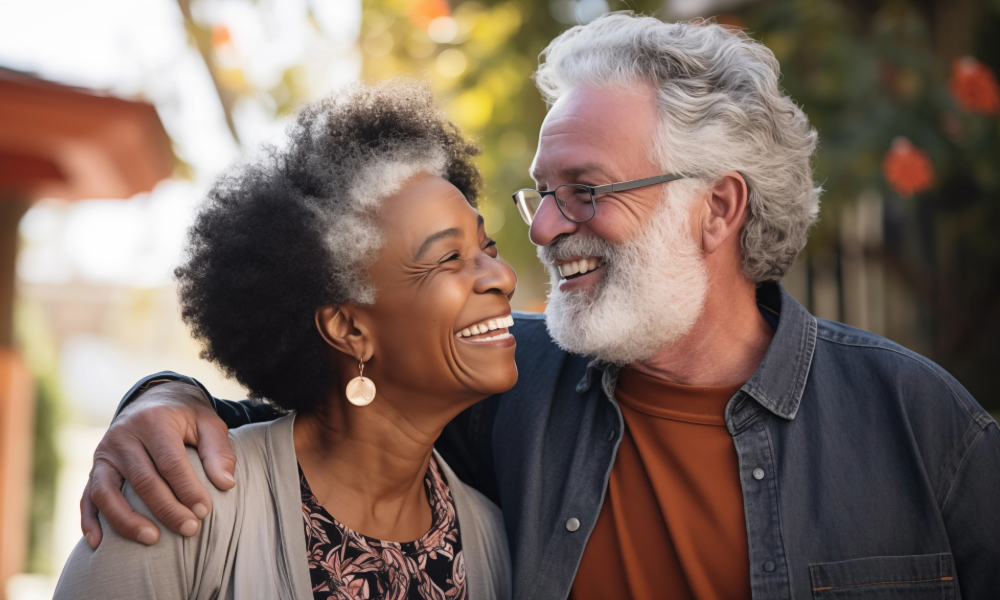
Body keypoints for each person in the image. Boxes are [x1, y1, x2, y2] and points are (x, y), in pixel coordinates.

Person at [80, 14, 1000, 600]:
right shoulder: (506, 386)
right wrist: (165, 400)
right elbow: (324, 419)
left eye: (587, 190)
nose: (548, 230)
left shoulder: (924, 428)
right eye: (540, 194)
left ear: (719, 207)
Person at [55, 80, 514, 600]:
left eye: (487, 245)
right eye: (448, 257)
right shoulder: (184, 501)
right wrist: (163, 390)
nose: (502, 276)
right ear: (349, 329)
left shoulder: (491, 543)